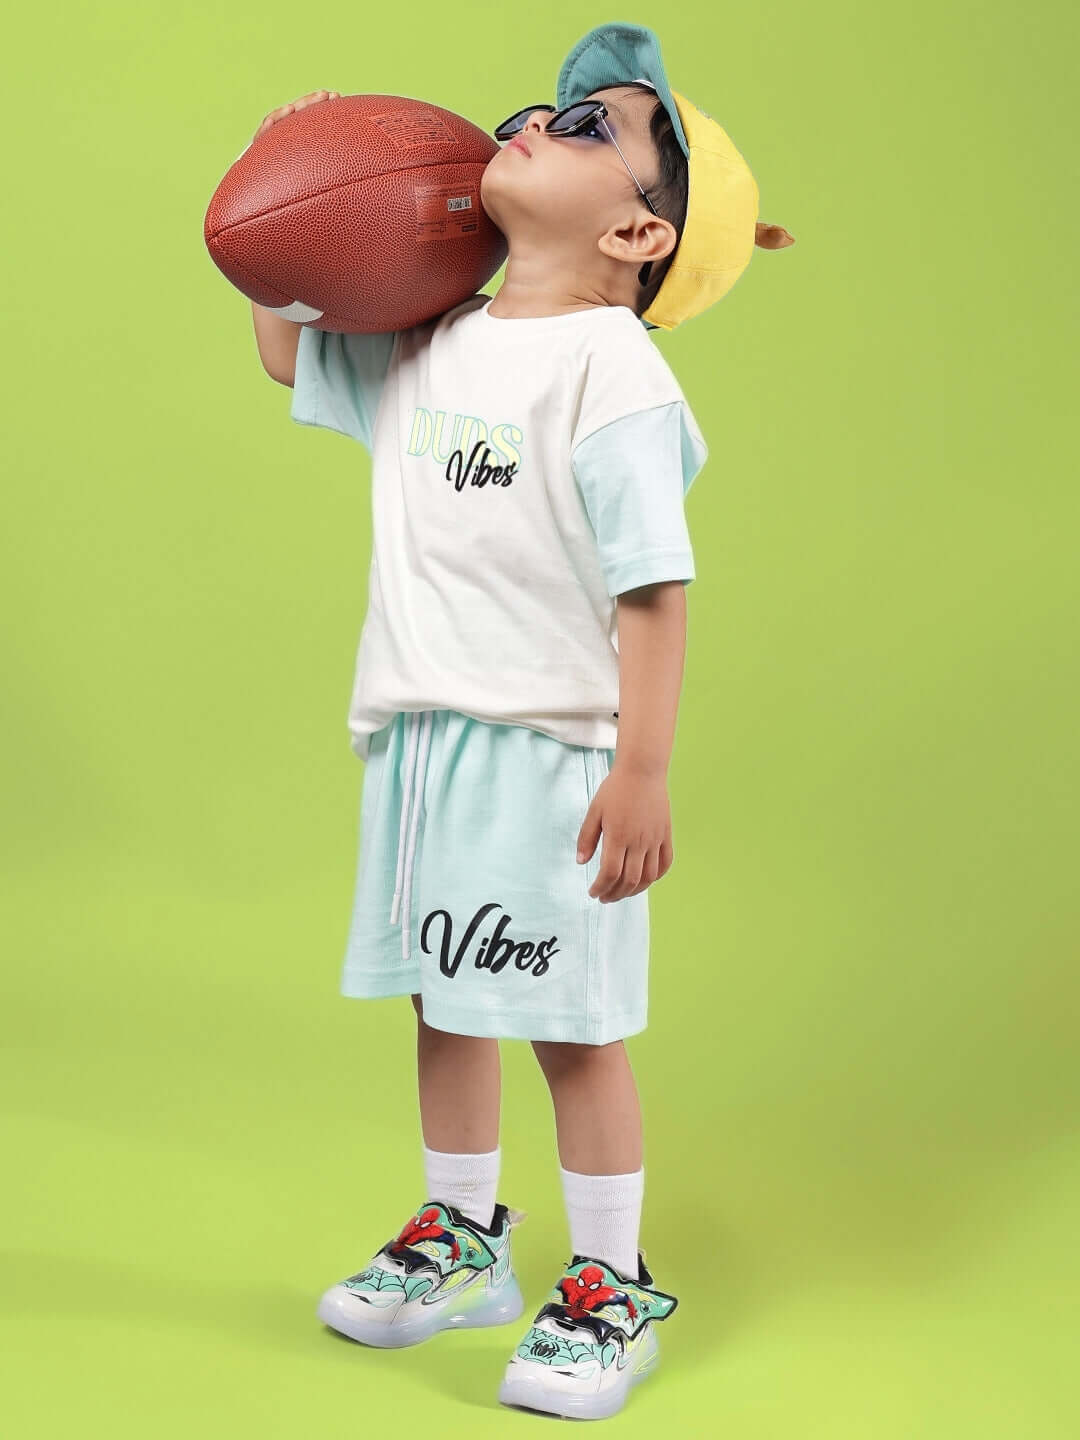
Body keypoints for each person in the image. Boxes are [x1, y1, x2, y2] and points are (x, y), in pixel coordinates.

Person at [250, 21, 793, 1422]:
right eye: (551, 105)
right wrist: (285, 188)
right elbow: (284, 344)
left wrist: (645, 769)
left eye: (599, 123)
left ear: (633, 231)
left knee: (571, 1027)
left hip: (554, 755)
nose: (546, 118)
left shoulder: (613, 371)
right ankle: (466, 1243)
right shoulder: (433, 337)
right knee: (445, 998)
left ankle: (609, 1286)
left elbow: (655, 592)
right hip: (420, 741)